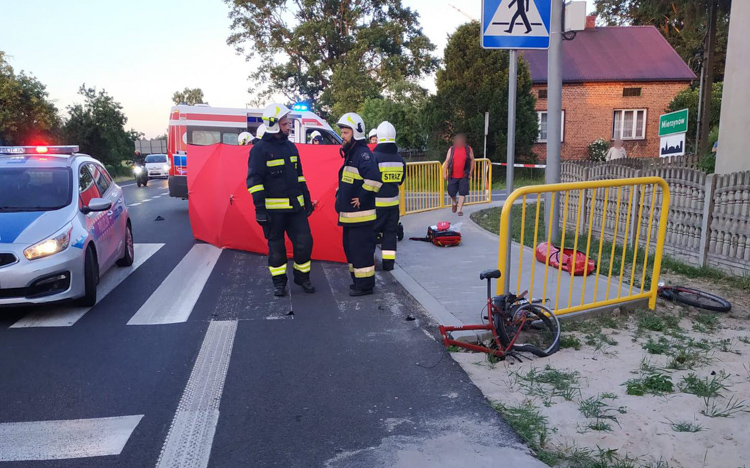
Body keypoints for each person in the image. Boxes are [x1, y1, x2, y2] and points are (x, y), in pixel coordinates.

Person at [247, 104, 315, 297]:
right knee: (277, 250)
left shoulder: (291, 147)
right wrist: (259, 208)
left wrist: (307, 198)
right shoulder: (259, 150)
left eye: (288, 123)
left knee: (305, 242)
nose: (288, 127)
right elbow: (254, 181)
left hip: (296, 209)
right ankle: (279, 283)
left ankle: (302, 277)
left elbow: (300, 176)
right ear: (274, 125)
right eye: (285, 124)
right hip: (273, 212)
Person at [335, 112, 382, 296]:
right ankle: (358, 281)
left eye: (346, 132)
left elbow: (375, 180)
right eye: (343, 132)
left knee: (361, 251)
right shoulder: (352, 153)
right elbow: (351, 180)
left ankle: (365, 285)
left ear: (355, 133)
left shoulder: (362, 154)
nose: (343, 136)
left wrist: (361, 197)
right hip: (350, 217)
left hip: (361, 217)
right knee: (351, 249)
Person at [372, 121, 405, 271]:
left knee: (371, 234)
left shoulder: (374, 157)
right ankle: (389, 264)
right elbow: (400, 181)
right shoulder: (400, 160)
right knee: (390, 235)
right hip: (393, 205)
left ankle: (368, 261)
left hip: (376, 206)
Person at [443, 133, 474, 216]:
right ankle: (454, 202)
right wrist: (444, 173)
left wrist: (470, 172)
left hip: (464, 175)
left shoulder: (468, 149)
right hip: (452, 175)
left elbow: (472, 160)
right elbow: (447, 161)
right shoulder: (452, 149)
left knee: (462, 192)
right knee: (451, 192)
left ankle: (460, 209)